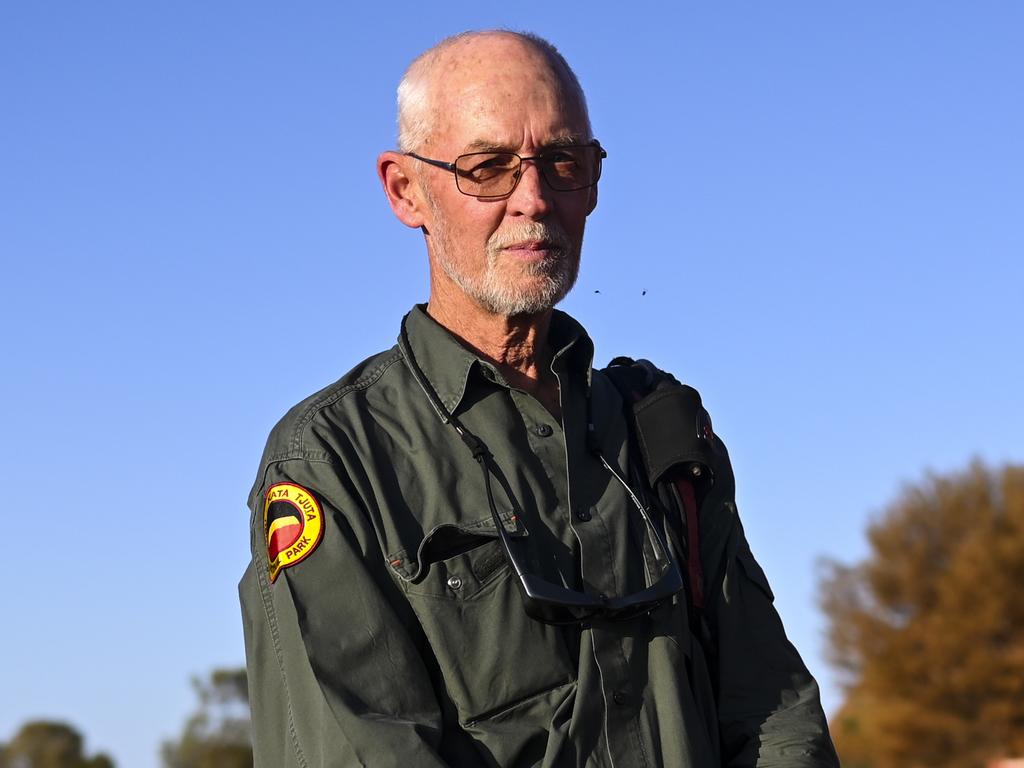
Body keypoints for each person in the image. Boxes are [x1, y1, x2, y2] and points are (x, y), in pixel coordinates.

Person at [239, 29, 839, 768]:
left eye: (562, 162)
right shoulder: (334, 460)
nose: (533, 199)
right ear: (406, 190)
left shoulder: (661, 428)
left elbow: (774, 714)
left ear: (593, 181)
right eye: (487, 167)